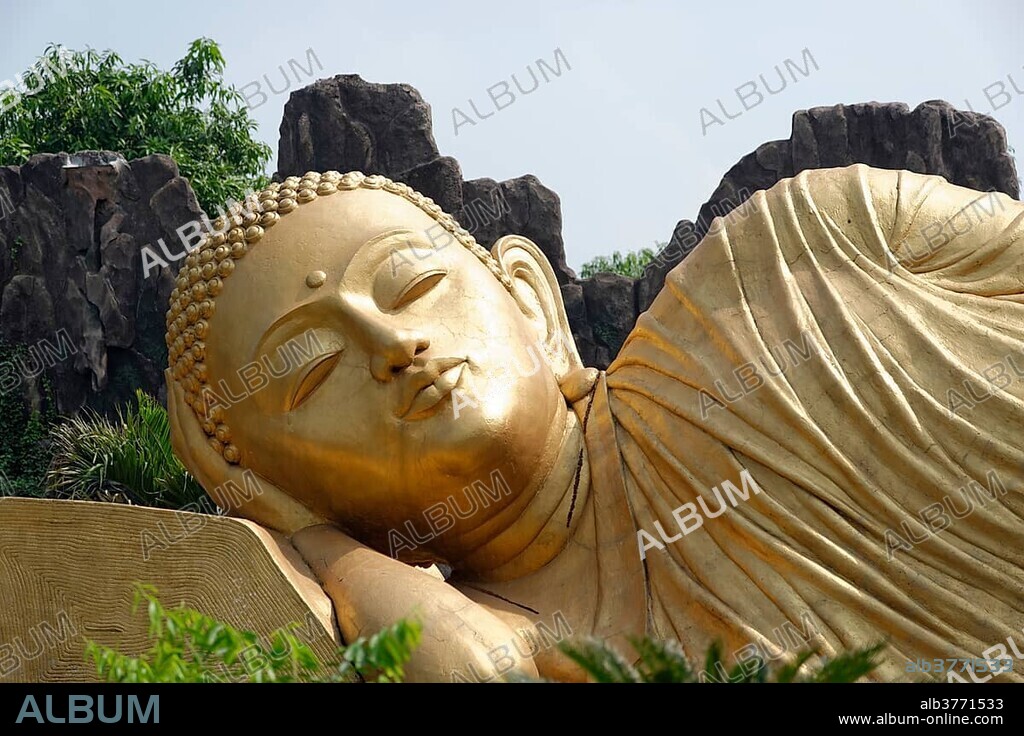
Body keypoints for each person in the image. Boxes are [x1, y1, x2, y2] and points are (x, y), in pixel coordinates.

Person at [167, 166, 1024, 682]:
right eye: (311, 372)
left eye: (412, 286)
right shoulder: (510, 642)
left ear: (532, 300)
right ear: (283, 483)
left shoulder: (809, 250)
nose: (394, 344)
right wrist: (311, 542)